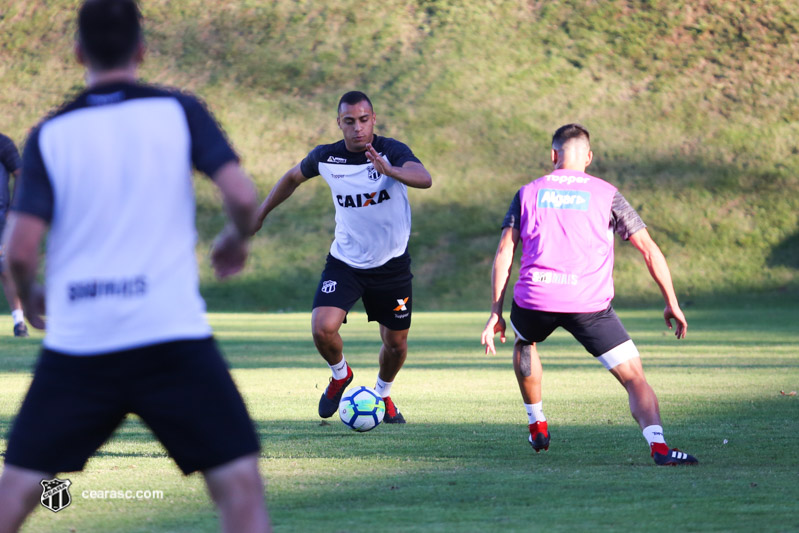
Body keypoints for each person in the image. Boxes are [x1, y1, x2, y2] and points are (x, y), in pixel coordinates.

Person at [0, 1, 272, 531]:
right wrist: (235, 240)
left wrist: (31, 296)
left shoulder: (50, 133)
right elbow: (242, 195)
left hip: (81, 344)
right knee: (239, 490)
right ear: (141, 49)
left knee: (14, 493)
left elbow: (19, 250)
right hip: (169, 336)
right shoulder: (180, 111)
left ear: (78, 51)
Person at [481, 123, 697, 466]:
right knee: (634, 378)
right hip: (589, 305)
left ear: (553, 155)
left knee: (524, 343)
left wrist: (496, 310)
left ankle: (537, 423)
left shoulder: (527, 192)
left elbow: (505, 251)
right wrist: (671, 302)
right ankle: (659, 447)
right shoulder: (607, 193)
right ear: (589, 158)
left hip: (536, 299)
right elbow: (649, 250)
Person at [253, 91, 432, 423]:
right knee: (322, 329)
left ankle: (382, 396)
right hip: (346, 262)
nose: (357, 128)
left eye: (364, 120)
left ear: (373, 119)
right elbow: (292, 178)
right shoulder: (326, 157)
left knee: (396, 345)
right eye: (349, 122)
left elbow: (425, 179)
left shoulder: (392, 151)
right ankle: (339, 375)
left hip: (391, 265)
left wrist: (391, 171)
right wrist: (261, 214)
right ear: (339, 123)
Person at [0, 132, 28, 337]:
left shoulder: (3, 143)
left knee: (5, 269)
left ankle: (19, 323)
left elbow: (20, 173)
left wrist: (14, 209)